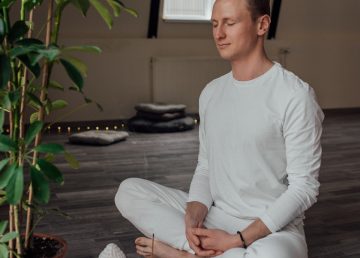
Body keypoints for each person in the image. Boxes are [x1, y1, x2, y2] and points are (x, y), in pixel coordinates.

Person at [115, 0, 324, 257]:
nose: (219, 33)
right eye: (214, 24)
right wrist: (193, 217)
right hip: (217, 218)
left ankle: (177, 254)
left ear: (262, 24)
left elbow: (304, 187)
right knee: (129, 191)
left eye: (229, 23)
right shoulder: (211, 92)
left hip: (272, 230)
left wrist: (237, 240)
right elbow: (206, 168)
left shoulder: (295, 96)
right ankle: (199, 248)